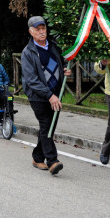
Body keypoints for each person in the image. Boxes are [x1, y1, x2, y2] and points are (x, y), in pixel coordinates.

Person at [21, 16, 71, 175]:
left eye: (43, 28)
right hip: (39, 96)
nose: (42, 32)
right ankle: (52, 160)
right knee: (46, 125)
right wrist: (49, 95)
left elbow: (61, 63)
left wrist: (65, 70)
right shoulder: (28, 52)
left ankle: (37, 157)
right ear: (31, 31)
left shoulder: (54, 46)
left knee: (49, 127)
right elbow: (32, 80)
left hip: (56, 93)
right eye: (38, 29)